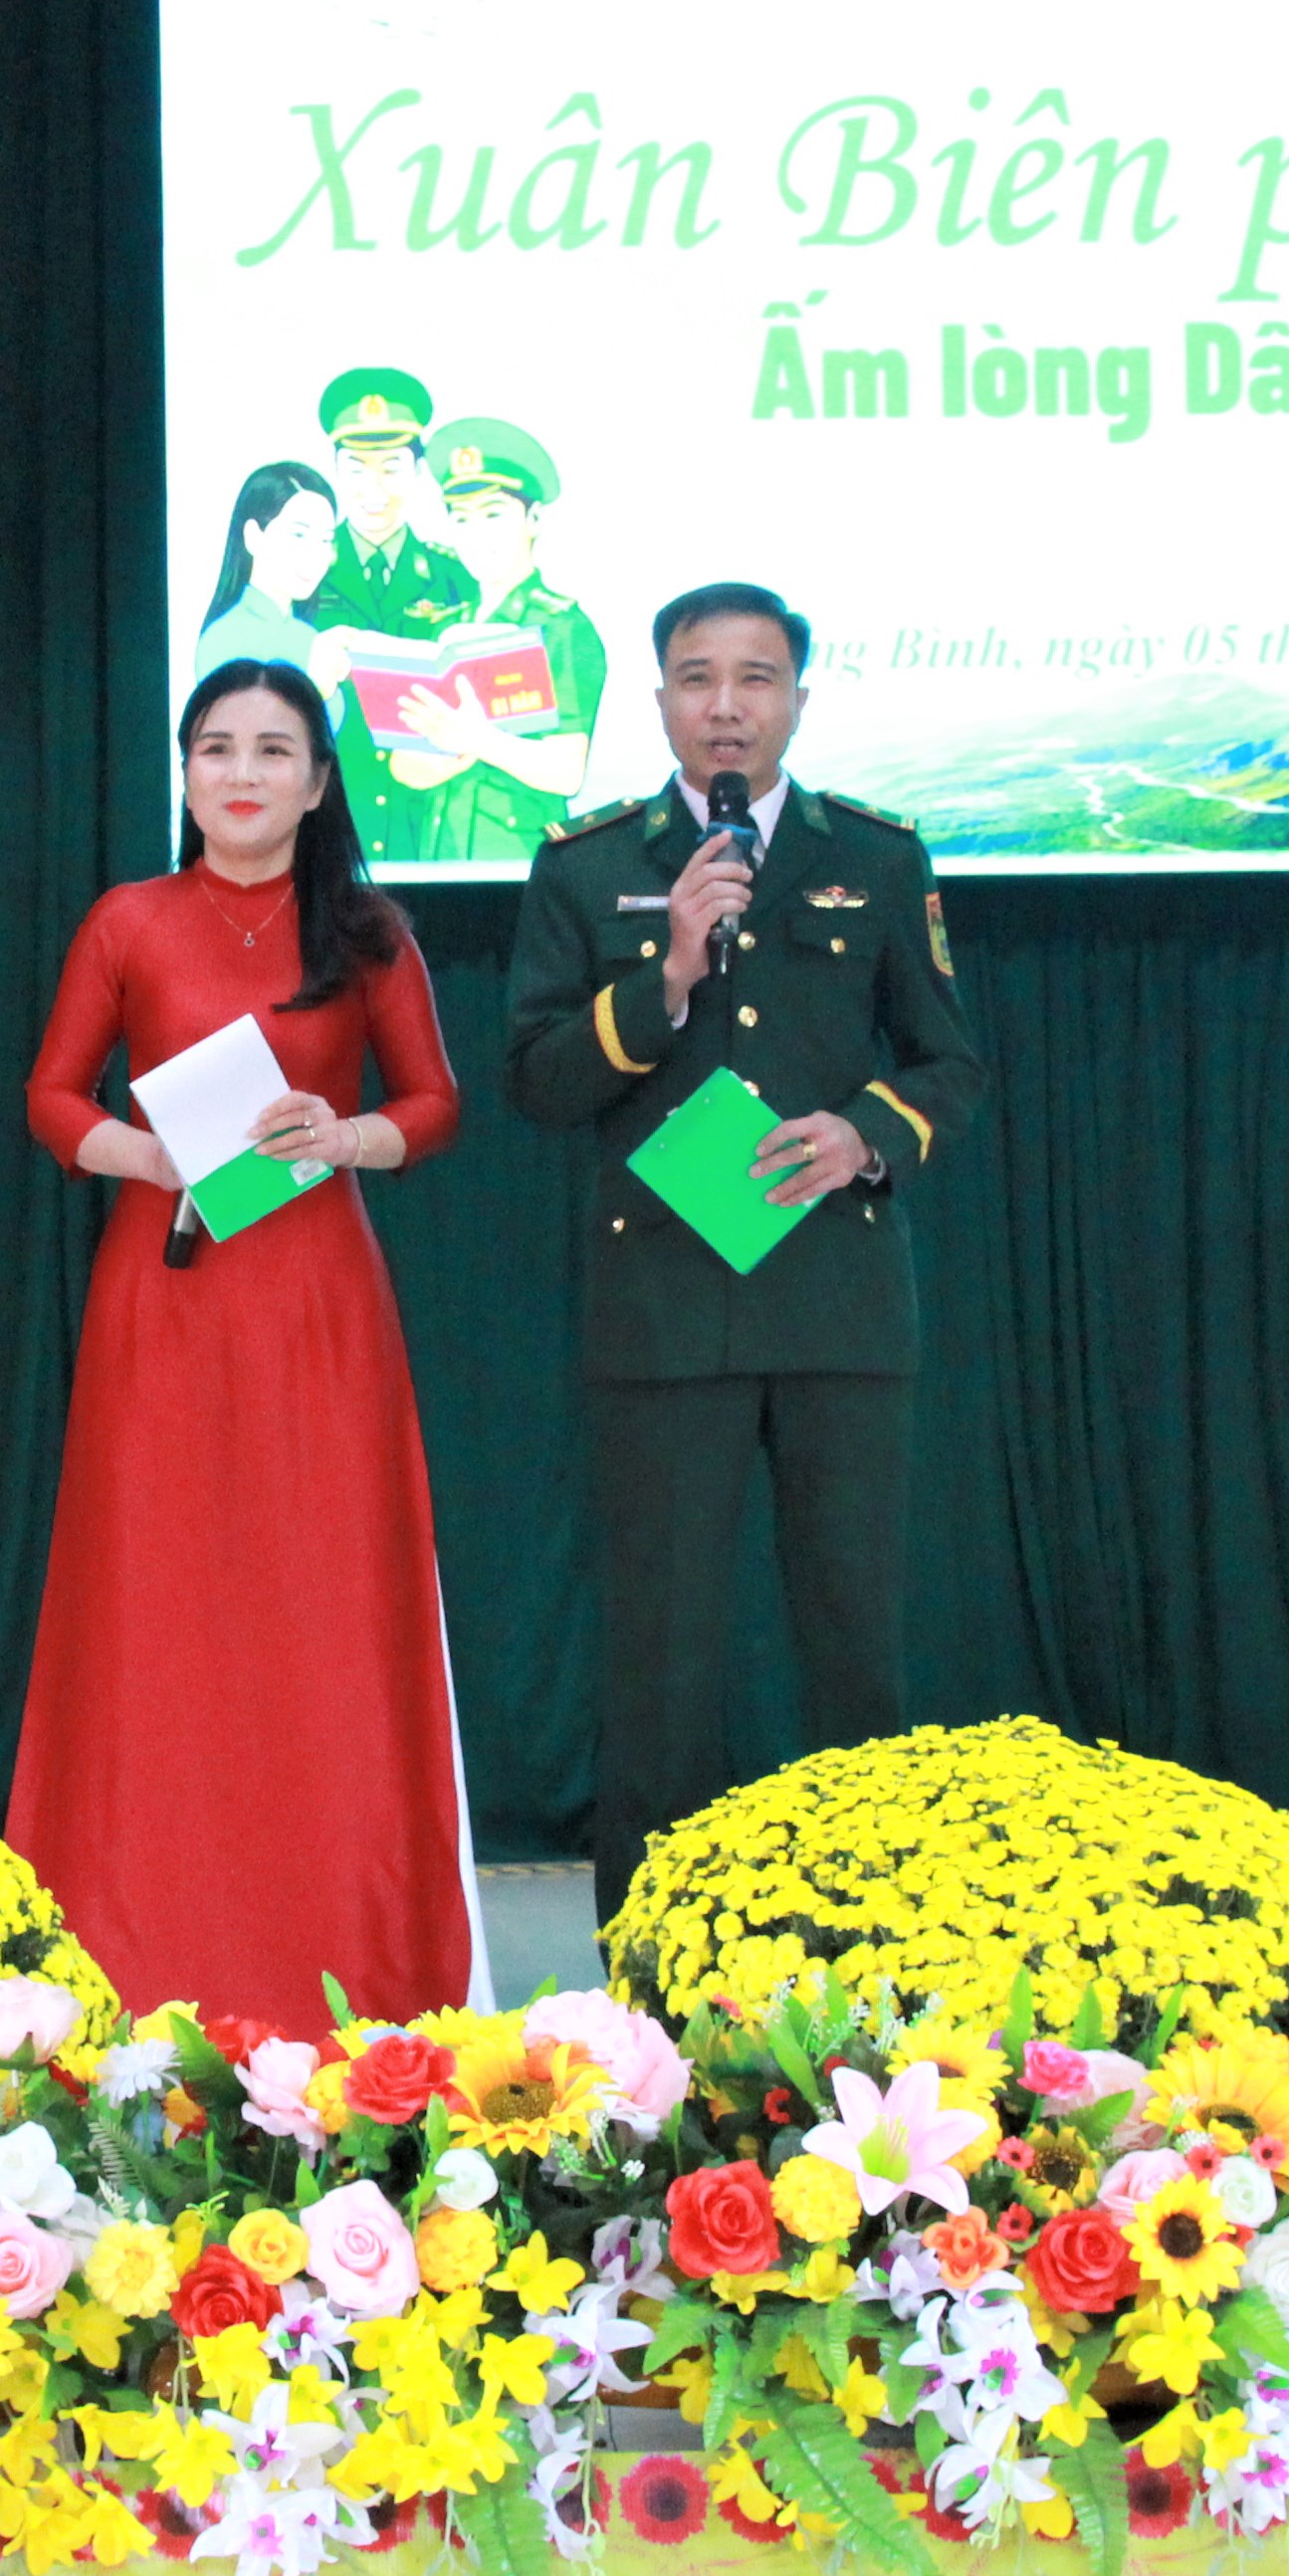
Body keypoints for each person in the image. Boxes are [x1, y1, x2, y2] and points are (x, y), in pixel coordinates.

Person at [501, 583, 985, 1925]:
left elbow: (949, 1062)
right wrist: (663, 976)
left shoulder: (875, 857)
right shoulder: (588, 863)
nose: (726, 706)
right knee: (660, 1661)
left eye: (756, 678)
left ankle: (873, 1952)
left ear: (798, 700)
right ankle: (650, 1965)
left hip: (838, 1302)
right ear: (659, 697)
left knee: (853, 1648)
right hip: (662, 1311)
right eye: (697, 677)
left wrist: (863, 1133)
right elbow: (538, 1080)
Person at [13, 661, 484, 2020]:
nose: (240, 772)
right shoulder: (128, 919)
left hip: (316, 1295)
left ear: (320, 781)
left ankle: (340, 1924)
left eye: (274, 750)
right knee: (156, 1593)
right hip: (162, 1290)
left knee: (319, 1595)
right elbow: (50, 1094)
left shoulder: (367, 931)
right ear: (183, 772)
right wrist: (144, 1155)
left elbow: (437, 1101)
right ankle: (143, 1930)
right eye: (214, 746)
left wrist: (347, 1135)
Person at [396, 414, 606, 867]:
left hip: (522, 864)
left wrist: (475, 738)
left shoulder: (562, 627)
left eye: (493, 515)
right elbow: (404, 763)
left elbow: (566, 772)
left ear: (534, 519)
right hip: (437, 857)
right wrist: (442, 758)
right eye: (461, 519)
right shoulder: (441, 629)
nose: (477, 535)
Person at [306, 366, 478, 865]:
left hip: (427, 822)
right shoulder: (303, 571)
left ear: (418, 472)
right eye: (356, 469)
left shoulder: (455, 575)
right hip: (329, 818)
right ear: (336, 470)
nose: (374, 488)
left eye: (392, 468)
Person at [193, 460, 342, 686]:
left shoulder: (310, 638)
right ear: (254, 536)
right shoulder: (223, 639)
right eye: (299, 535)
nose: (314, 555)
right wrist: (318, 688)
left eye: (325, 540)